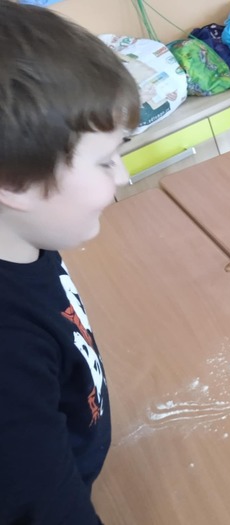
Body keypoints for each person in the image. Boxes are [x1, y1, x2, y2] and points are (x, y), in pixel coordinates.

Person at [0, 1, 140, 523]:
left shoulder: (28, 240)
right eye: (105, 160)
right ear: (15, 183)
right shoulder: (9, 355)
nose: (123, 176)